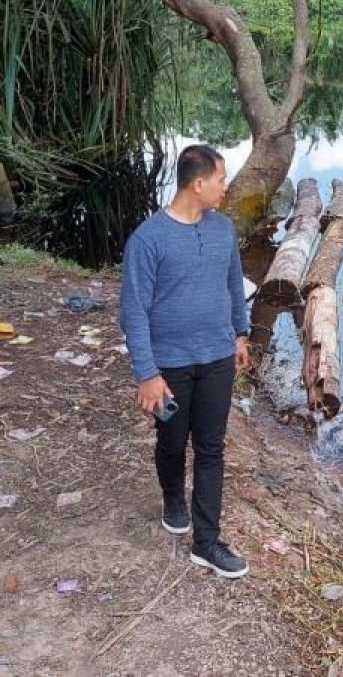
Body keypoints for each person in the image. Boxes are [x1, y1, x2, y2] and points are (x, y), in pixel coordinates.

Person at [119, 144, 252, 578]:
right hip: (170, 366)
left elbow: (234, 284)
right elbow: (133, 311)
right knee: (172, 442)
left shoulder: (223, 230)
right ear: (198, 184)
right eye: (220, 179)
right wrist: (147, 374)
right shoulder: (148, 239)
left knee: (211, 448)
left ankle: (207, 542)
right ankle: (173, 498)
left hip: (216, 359)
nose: (225, 187)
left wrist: (240, 333)